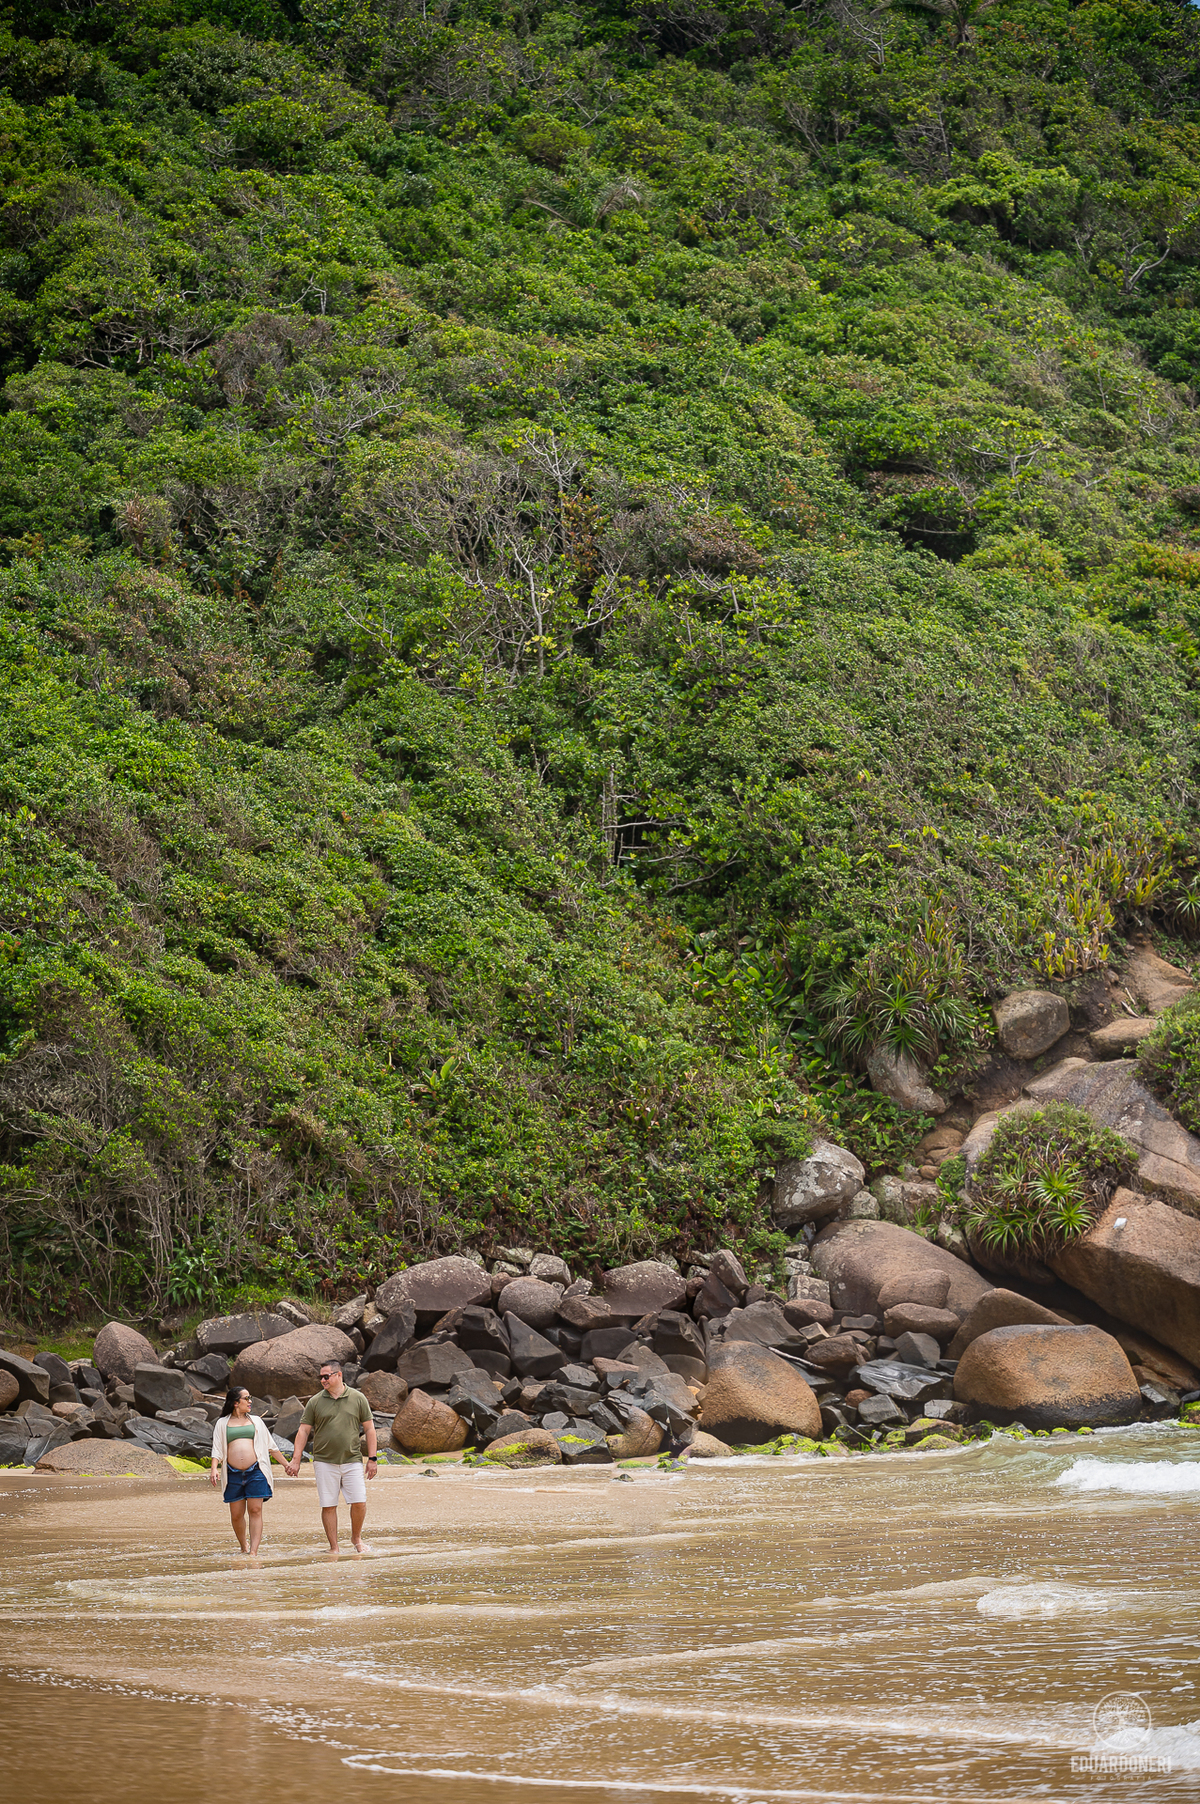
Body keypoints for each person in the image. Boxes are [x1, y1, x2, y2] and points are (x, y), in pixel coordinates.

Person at [285, 1360, 377, 1553]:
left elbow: (369, 1429)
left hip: (352, 1459)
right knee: (329, 1505)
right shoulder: (315, 1401)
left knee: (359, 1502)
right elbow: (303, 1430)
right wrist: (296, 1459)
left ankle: (356, 1538)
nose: (323, 1380)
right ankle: (334, 1547)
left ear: (339, 1375)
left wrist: (372, 1458)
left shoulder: (358, 1398)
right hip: (324, 1461)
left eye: (326, 1376)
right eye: (320, 1377)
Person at [210, 1386, 290, 1555]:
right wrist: (214, 1468)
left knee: (255, 1510)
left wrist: (286, 1465)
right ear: (235, 1403)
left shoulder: (257, 1421)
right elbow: (216, 1448)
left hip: (256, 1471)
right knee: (237, 1515)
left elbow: (272, 1447)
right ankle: (243, 1546)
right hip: (232, 1473)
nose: (250, 1401)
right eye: (247, 1398)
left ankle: (253, 1552)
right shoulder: (222, 1423)